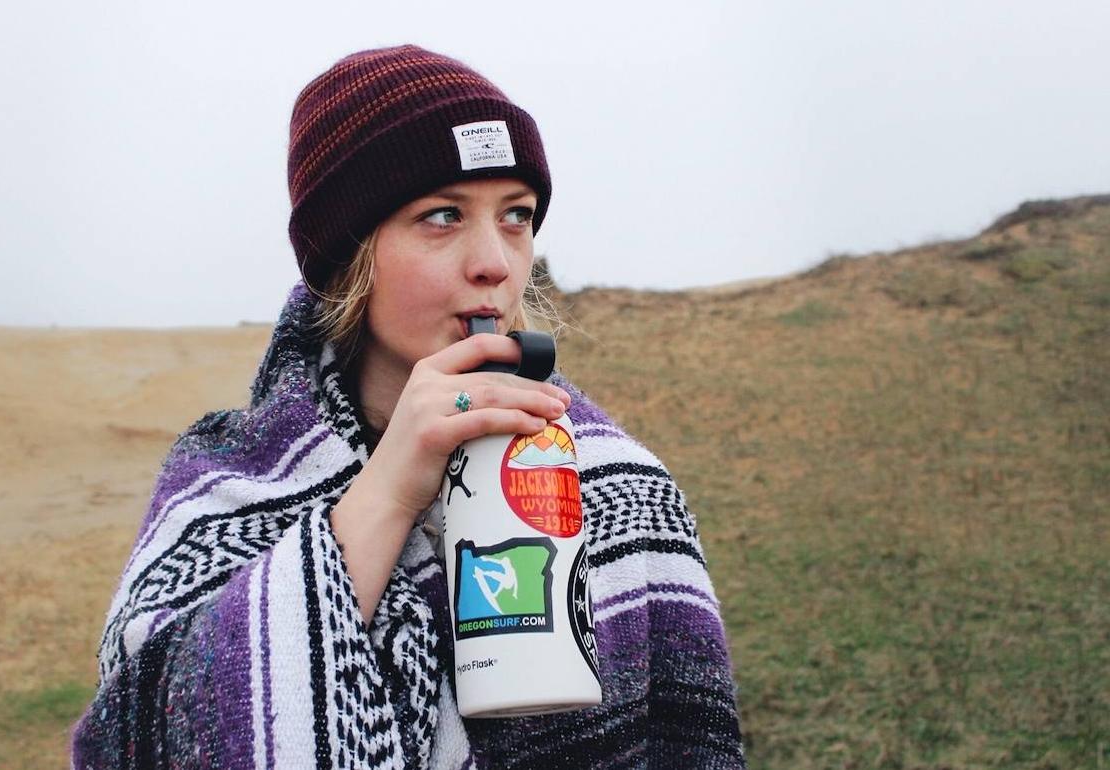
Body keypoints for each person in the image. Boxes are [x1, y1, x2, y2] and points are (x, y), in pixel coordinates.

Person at [72, 44, 745, 769]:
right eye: (442, 215)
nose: (494, 261)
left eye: (515, 215)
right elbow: (140, 742)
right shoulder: (228, 483)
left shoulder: (618, 484)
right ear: (348, 256)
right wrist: (389, 490)